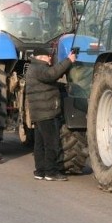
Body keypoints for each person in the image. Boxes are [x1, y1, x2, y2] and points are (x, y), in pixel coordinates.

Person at [25, 47, 76, 181]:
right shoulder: (39, 68)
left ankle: (40, 171)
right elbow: (52, 74)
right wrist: (68, 61)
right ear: (42, 57)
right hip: (46, 112)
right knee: (51, 143)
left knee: (40, 144)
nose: (50, 59)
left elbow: (46, 83)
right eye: (48, 57)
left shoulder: (33, 68)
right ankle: (51, 172)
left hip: (40, 112)